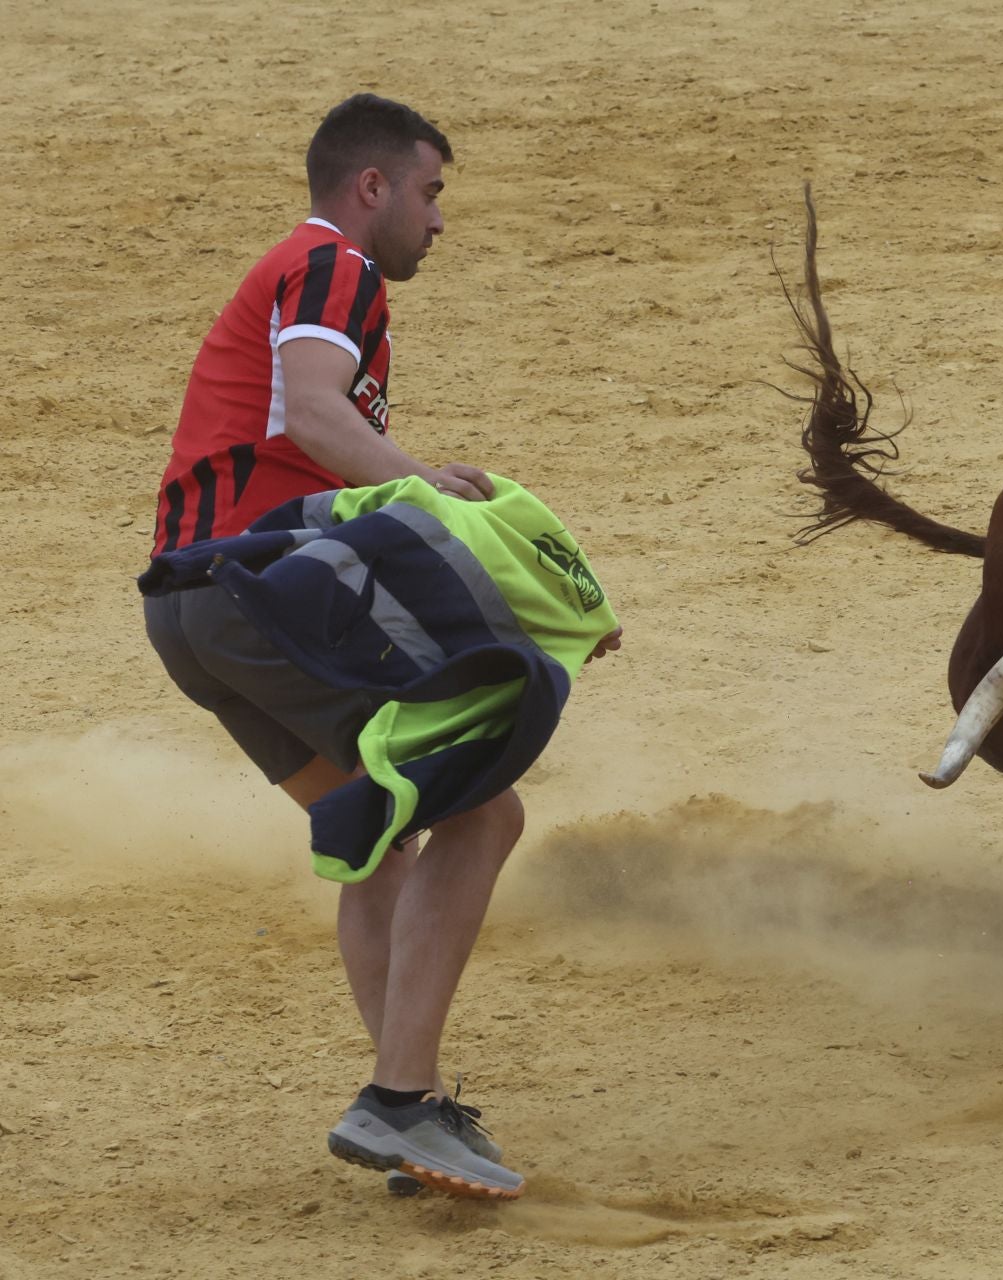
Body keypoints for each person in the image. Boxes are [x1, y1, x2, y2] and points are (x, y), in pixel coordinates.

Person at [142, 94, 609, 1200]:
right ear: (372, 187)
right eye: (431, 193)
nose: (438, 221)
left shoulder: (303, 273)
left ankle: (412, 1115)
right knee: (485, 807)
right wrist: (419, 478)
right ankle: (399, 1100)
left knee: (378, 826)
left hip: (186, 615)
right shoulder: (332, 263)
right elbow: (312, 414)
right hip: (257, 590)